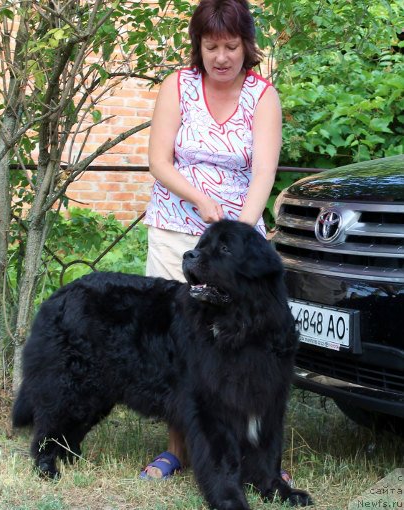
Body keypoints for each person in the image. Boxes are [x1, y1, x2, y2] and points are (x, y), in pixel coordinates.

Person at [141, 0, 287, 482]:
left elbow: (263, 171)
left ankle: (253, 459)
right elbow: (159, 162)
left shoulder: (262, 95)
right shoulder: (176, 87)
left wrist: (237, 238)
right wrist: (200, 199)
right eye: (211, 46)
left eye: (230, 46)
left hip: (237, 244)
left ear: (246, 45)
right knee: (183, 347)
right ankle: (178, 450)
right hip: (176, 229)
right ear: (197, 47)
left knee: (242, 352)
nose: (221, 56)